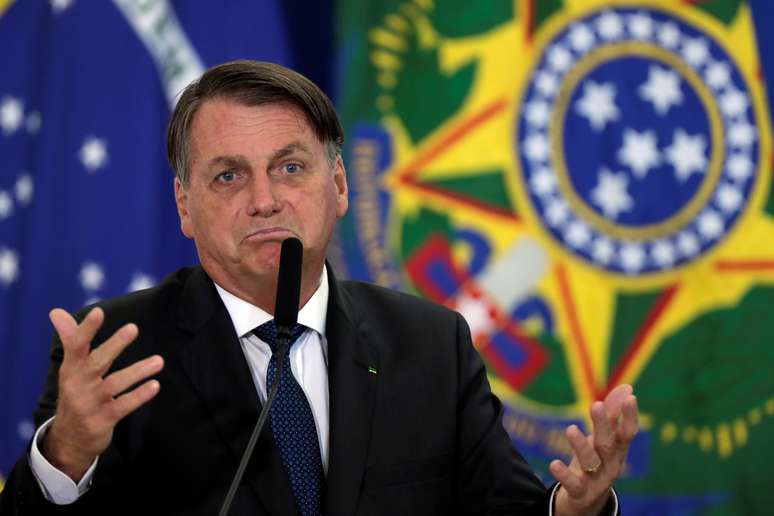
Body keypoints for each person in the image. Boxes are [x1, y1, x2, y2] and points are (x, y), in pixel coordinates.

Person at [0, 60, 638, 515]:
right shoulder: (118, 352)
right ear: (184, 206)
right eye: (228, 177)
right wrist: (68, 454)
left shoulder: (429, 344)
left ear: (338, 185)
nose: (264, 200)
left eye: (290, 167)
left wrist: (574, 510)